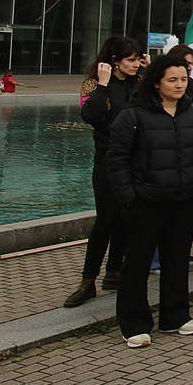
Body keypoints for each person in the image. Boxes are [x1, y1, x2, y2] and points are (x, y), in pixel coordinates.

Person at [107, 55, 193, 349]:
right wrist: (130, 197)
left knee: (177, 260)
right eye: (172, 80)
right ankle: (134, 323)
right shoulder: (133, 116)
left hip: (185, 200)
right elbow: (116, 161)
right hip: (146, 202)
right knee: (137, 264)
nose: (180, 85)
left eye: (184, 80)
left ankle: (175, 316)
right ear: (157, 83)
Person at [65, 36, 143, 308]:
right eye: (131, 60)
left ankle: (114, 271)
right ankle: (88, 280)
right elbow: (91, 116)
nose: (136, 64)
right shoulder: (94, 84)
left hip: (135, 160)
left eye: (138, 59)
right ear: (114, 61)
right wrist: (103, 84)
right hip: (108, 160)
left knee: (126, 216)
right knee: (106, 219)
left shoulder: (139, 83)